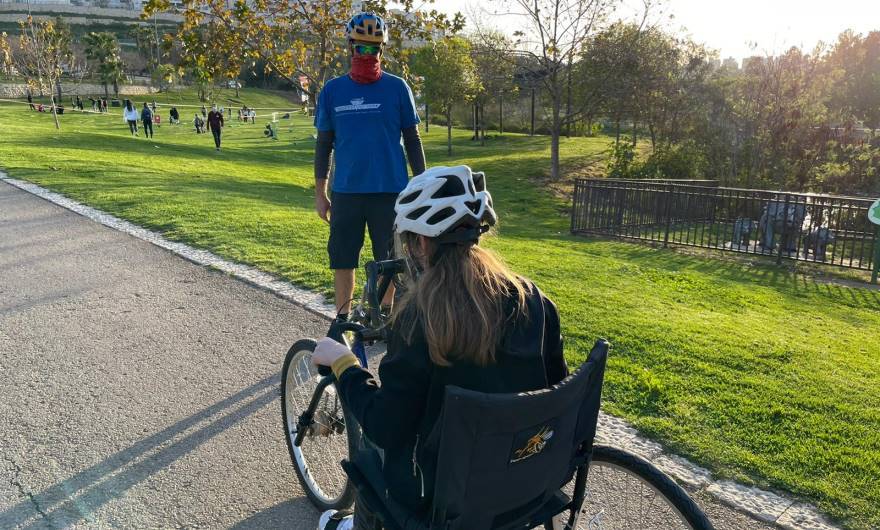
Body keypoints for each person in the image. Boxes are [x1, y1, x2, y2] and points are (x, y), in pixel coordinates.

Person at [312, 165, 568, 530]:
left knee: (370, 455)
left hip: (444, 502)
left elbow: (386, 426)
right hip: (526, 479)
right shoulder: (534, 301)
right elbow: (554, 390)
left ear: (421, 243)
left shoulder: (419, 319)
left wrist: (345, 364)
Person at [313, 12, 426, 323]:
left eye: (374, 48)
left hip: (389, 192)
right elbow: (323, 145)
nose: (368, 54)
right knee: (342, 259)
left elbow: (412, 140)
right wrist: (321, 193)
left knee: (389, 262)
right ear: (350, 47)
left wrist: (422, 183)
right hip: (346, 192)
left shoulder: (397, 88)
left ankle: (381, 316)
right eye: (361, 47)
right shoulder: (332, 91)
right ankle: (343, 319)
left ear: (382, 50)